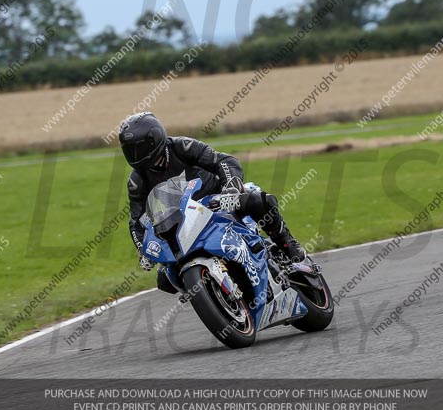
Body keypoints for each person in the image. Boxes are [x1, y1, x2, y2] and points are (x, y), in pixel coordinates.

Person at [118, 112, 306, 294]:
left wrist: (230, 187)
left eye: (139, 148)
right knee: (165, 279)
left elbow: (222, 161)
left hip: (217, 200)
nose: (135, 154)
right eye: (129, 149)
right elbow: (137, 221)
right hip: (181, 221)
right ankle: (213, 291)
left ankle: (286, 242)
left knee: (258, 201)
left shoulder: (182, 147)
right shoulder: (137, 181)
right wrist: (143, 249)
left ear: (155, 138)